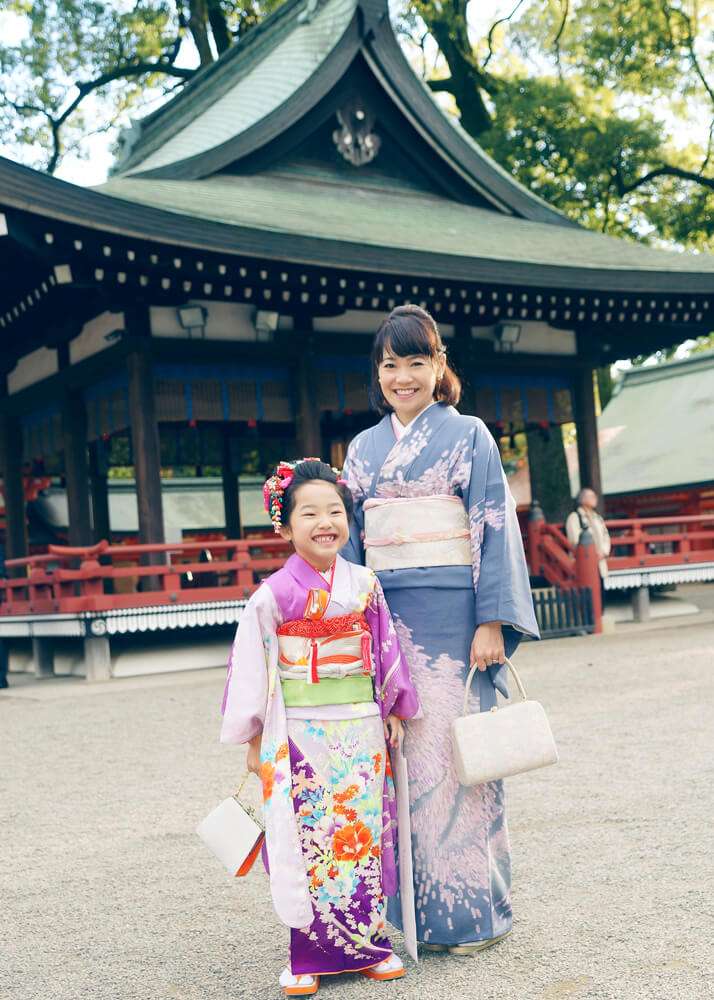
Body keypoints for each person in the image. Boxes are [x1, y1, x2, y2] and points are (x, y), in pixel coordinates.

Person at [341, 304, 539, 955]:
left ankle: (474, 914)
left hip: (455, 626)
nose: (403, 376)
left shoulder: (471, 435)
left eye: (416, 361)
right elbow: (351, 551)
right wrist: (352, 628)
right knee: (401, 763)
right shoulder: (362, 452)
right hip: (388, 624)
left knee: (460, 765)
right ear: (379, 372)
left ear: (439, 366)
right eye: (391, 364)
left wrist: (491, 618)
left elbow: (493, 523)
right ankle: (413, 917)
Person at [220, 459, 420, 997]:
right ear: (284, 526)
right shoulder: (272, 596)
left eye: (335, 510)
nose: (325, 521)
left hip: (359, 727)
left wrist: (394, 708)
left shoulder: (364, 585)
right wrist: (255, 737)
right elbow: (253, 668)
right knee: (307, 838)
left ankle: (370, 946)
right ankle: (306, 954)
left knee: (362, 835)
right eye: (308, 512)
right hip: (300, 731)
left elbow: (383, 651)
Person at [565, 488, 611, 580]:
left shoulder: (598, 518)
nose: (595, 498)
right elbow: (574, 540)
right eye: (591, 496)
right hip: (584, 561)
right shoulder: (574, 517)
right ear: (582, 499)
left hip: (600, 562)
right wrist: (592, 553)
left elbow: (606, 537)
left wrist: (604, 552)